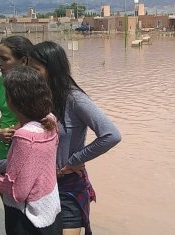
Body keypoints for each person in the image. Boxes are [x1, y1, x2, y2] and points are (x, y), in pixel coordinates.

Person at [27, 41, 121, 235]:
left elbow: (111, 135)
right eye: (29, 68)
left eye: (36, 69)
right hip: (39, 186)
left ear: (52, 69)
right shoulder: (38, 98)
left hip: (67, 187)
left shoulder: (74, 99)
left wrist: (74, 160)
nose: (31, 75)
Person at [0, 66, 62, 235]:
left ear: (12, 101)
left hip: (28, 220)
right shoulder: (50, 120)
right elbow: (32, 166)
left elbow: (16, 191)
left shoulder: (24, 137)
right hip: (50, 212)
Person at [0, 36, 33, 160]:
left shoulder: (35, 85)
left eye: (4, 59)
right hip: (2, 149)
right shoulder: (2, 81)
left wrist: (14, 132)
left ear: (23, 61)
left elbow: (37, 117)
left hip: (25, 149)